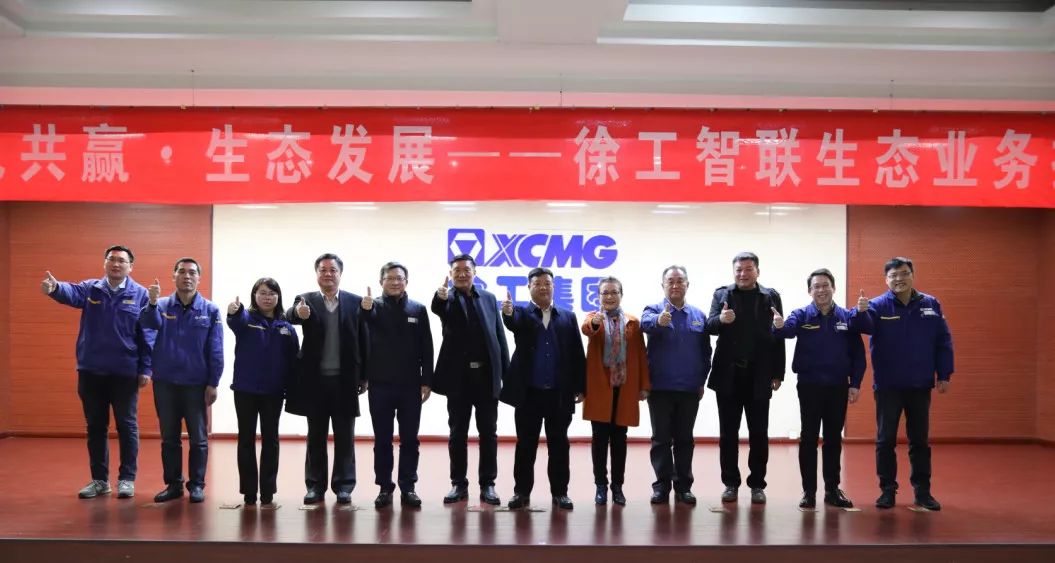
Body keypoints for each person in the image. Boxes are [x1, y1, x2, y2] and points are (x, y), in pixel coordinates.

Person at [41, 245, 153, 500]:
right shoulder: (91, 288)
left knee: (127, 426)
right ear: (104, 263)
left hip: (124, 372)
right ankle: (100, 480)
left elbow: (147, 335)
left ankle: (127, 479)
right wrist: (55, 288)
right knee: (95, 427)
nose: (116, 264)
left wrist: (146, 368)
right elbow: (70, 292)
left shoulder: (141, 295)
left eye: (121, 261)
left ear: (130, 267)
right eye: (111, 259)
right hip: (91, 371)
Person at [858, 257, 953, 511]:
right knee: (885, 440)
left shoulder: (931, 304)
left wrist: (944, 374)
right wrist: (861, 312)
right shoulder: (876, 306)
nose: (898, 279)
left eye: (903, 273)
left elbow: (943, 341)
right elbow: (863, 327)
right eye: (893, 275)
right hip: (888, 385)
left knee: (919, 441)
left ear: (912, 275)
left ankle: (923, 492)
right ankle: (887, 490)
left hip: (920, 384)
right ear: (886, 280)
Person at [772, 268, 866, 509]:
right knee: (809, 438)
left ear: (833, 288)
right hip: (810, 386)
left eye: (825, 285)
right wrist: (778, 325)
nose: (821, 290)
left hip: (838, 386)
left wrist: (855, 383)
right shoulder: (801, 315)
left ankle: (832, 490)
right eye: (816, 286)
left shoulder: (847, 317)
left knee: (833, 438)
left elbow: (858, 355)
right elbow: (787, 331)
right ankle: (809, 492)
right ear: (809, 291)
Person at [284, 253, 368, 505]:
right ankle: (315, 486)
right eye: (323, 270)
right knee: (315, 437)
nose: (328, 274)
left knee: (345, 437)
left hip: (345, 381)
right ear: (316, 274)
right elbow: (289, 316)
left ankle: (344, 486)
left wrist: (364, 376)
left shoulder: (355, 302)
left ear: (340, 274)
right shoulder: (305, 299)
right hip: (315, 382)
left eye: (333, 270)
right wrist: (298, 313)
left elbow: (363, 340)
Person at [501, 267, 586, 511]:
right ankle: (521, 492)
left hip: (559, 393)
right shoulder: (521, 313)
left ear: (554, 286)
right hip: (529, 393)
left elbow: (577, 353)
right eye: (537, 284)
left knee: (559, 445)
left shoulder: (567, 316)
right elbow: (512, 322)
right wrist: (508, 313)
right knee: (525, 446)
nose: (543, 287)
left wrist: (580, 386)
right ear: (529, 287)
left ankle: (560, 493)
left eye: (547, 283)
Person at [140, 257, 224, 503]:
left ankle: (196, 485)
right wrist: (151, 302)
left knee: (199, 439)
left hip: (196, 385)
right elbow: (147, 325)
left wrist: (213, 382)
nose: (187, 276)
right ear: (174, 276)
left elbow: (216, 348)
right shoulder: (160, 306)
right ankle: (174, 484)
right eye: (182, 272)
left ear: (199, 277)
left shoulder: (210, 310)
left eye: (192, 272)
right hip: (165, 383)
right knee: (169, 438)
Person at [706, 252, 786, 505]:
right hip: (729, 375)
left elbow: (778, 334)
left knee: (759, 433)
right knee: (728, 434)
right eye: (739, 270)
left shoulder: (771, 296)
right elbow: (709, 326)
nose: (743, 274)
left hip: (759, 375)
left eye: (748, 269)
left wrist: (778, 373)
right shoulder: (722, 295)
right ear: (734, 272)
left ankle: (757, 484)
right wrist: (721, 320)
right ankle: (730, 483)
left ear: (757, 272)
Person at [430, 253, 509, 506]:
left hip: (486, 377)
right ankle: (458, 484)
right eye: (457, 270)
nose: (462, 274)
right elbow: (438, 309)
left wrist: (506, 374)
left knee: (489, 433)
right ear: (451, 274)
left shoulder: (488, 298)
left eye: (467, 270)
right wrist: (440, 297)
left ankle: (488, 484)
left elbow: (499, 336)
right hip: (458, 379)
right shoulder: (446, 298)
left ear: (475, 273)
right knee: (457, 433)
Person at [361, 261, 433, 509]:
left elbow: (427, 347)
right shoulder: (371, 307)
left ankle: (408, 487)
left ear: (406, 281)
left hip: (410, 386)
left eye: (399, 278)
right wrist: (365, 311)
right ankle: (384, 487)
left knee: (410, 439)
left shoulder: (418, 309)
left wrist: (427, 381)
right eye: (389, 278)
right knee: (382, 439)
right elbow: (362, 336)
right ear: (381, 281)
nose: (394, 282)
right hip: (379, 385)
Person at [641, 265, 712, 505]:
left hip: (689, 389)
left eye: (680, 281)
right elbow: (645, 323)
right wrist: (659, 321)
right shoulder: (653, 310)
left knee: (684, 440)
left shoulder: (698, 315)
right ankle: (662, 486)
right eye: (670, 281)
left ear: (687, 285)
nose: (675, 285)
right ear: (663, 285)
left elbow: (706, 352)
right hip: (659, 388)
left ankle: (684, 487)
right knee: (661, 439)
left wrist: (701, 380)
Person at [226, 278, 299, 506]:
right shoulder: (246, 320)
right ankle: (249, 491)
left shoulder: (286, 327)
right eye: (263, 293)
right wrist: (234, 312)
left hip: (273, 392)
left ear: (278, 297)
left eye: (272, 293)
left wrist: (292, 389)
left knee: (271, 439)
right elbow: (235, 320)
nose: (267, 297)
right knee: (246, 439)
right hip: (245, 390)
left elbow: (294, 361)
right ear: (254, 296)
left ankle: (268, 491)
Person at [581, 276, 650, 506]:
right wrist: (595, 323)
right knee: (599, 440)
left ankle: (618, 487)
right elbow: (587, 329)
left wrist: (644, 386)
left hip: (625, 389)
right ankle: (600, 486)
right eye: (605, 293)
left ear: (621, 295)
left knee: (620, 441)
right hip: (600, 389)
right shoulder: (594, 318)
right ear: (598, 296)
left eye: (614, 292)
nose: (609, 296)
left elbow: (641, 355)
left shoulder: (633, 322)